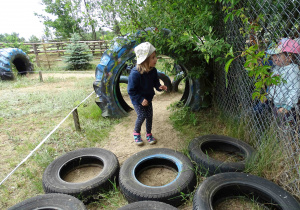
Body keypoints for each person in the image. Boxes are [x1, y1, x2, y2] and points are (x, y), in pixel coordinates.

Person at [127, 42, 167, 146]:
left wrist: (160, 87)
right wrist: (140, 99)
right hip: (138, 100)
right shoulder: (135, 74)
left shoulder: (153, 71)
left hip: (148, 98)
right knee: (142, 116)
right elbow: (131, 91)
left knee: (149, 116)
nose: (156, 59)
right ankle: (136, 133)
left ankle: (148, 134)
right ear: (145, 59)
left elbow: (155, 83)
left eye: (155, 57)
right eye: (153, 57)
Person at [266, 38, 300, 124]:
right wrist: (269, 96)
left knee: (287, 127)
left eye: (278, 55)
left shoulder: (293, 70)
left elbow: (295, 90)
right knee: (277, 125)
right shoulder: (277, 68)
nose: (274, 58)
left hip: (288, 108)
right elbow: (273, 86)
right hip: (276, 104)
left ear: (289, 58)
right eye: (273, 55)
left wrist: (287, 107)